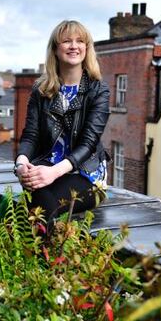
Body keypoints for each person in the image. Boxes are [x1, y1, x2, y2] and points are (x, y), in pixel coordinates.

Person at [14, 20, 110, 234]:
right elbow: (31, 135)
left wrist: (53, 173)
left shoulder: (98, 90)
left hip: (86, 174)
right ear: (55, 50)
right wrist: (21, 165)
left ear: (87, 48)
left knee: (41, 197)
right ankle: (44, 262)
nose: (74, 46)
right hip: (45, 167)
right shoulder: (41, 90)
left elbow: (88, 144)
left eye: (80, 41)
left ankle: (39, 260)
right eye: (67, 41)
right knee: (38, 191)